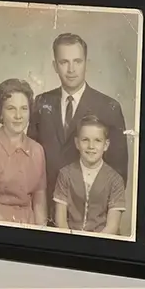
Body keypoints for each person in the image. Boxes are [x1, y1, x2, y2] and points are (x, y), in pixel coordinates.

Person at [28, 32, 130, 212]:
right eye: (64, 62)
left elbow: (118, 173)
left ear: (86, 64)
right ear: (55, 66)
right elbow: (31, 159)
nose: (71, 69)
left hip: (89, 214)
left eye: (77, 61)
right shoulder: (41, 102)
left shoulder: (109, 107)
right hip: (45, 208)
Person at [0, 78, 48, 226]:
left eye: (24, 109)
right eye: (11, 109)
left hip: (27, 225)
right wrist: (10, 232)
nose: (18, 115)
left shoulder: (37, 150)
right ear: (0, 113)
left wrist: (39, 234)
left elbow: (39, 204)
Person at [51, 115, 128, 235]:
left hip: (102, 241)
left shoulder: (115, 180)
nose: (91, 146)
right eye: (85, 140)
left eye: (97, 140)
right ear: (77, 143)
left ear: (106, 145)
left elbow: (112, 226)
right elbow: (61, 221)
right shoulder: (65, 174)